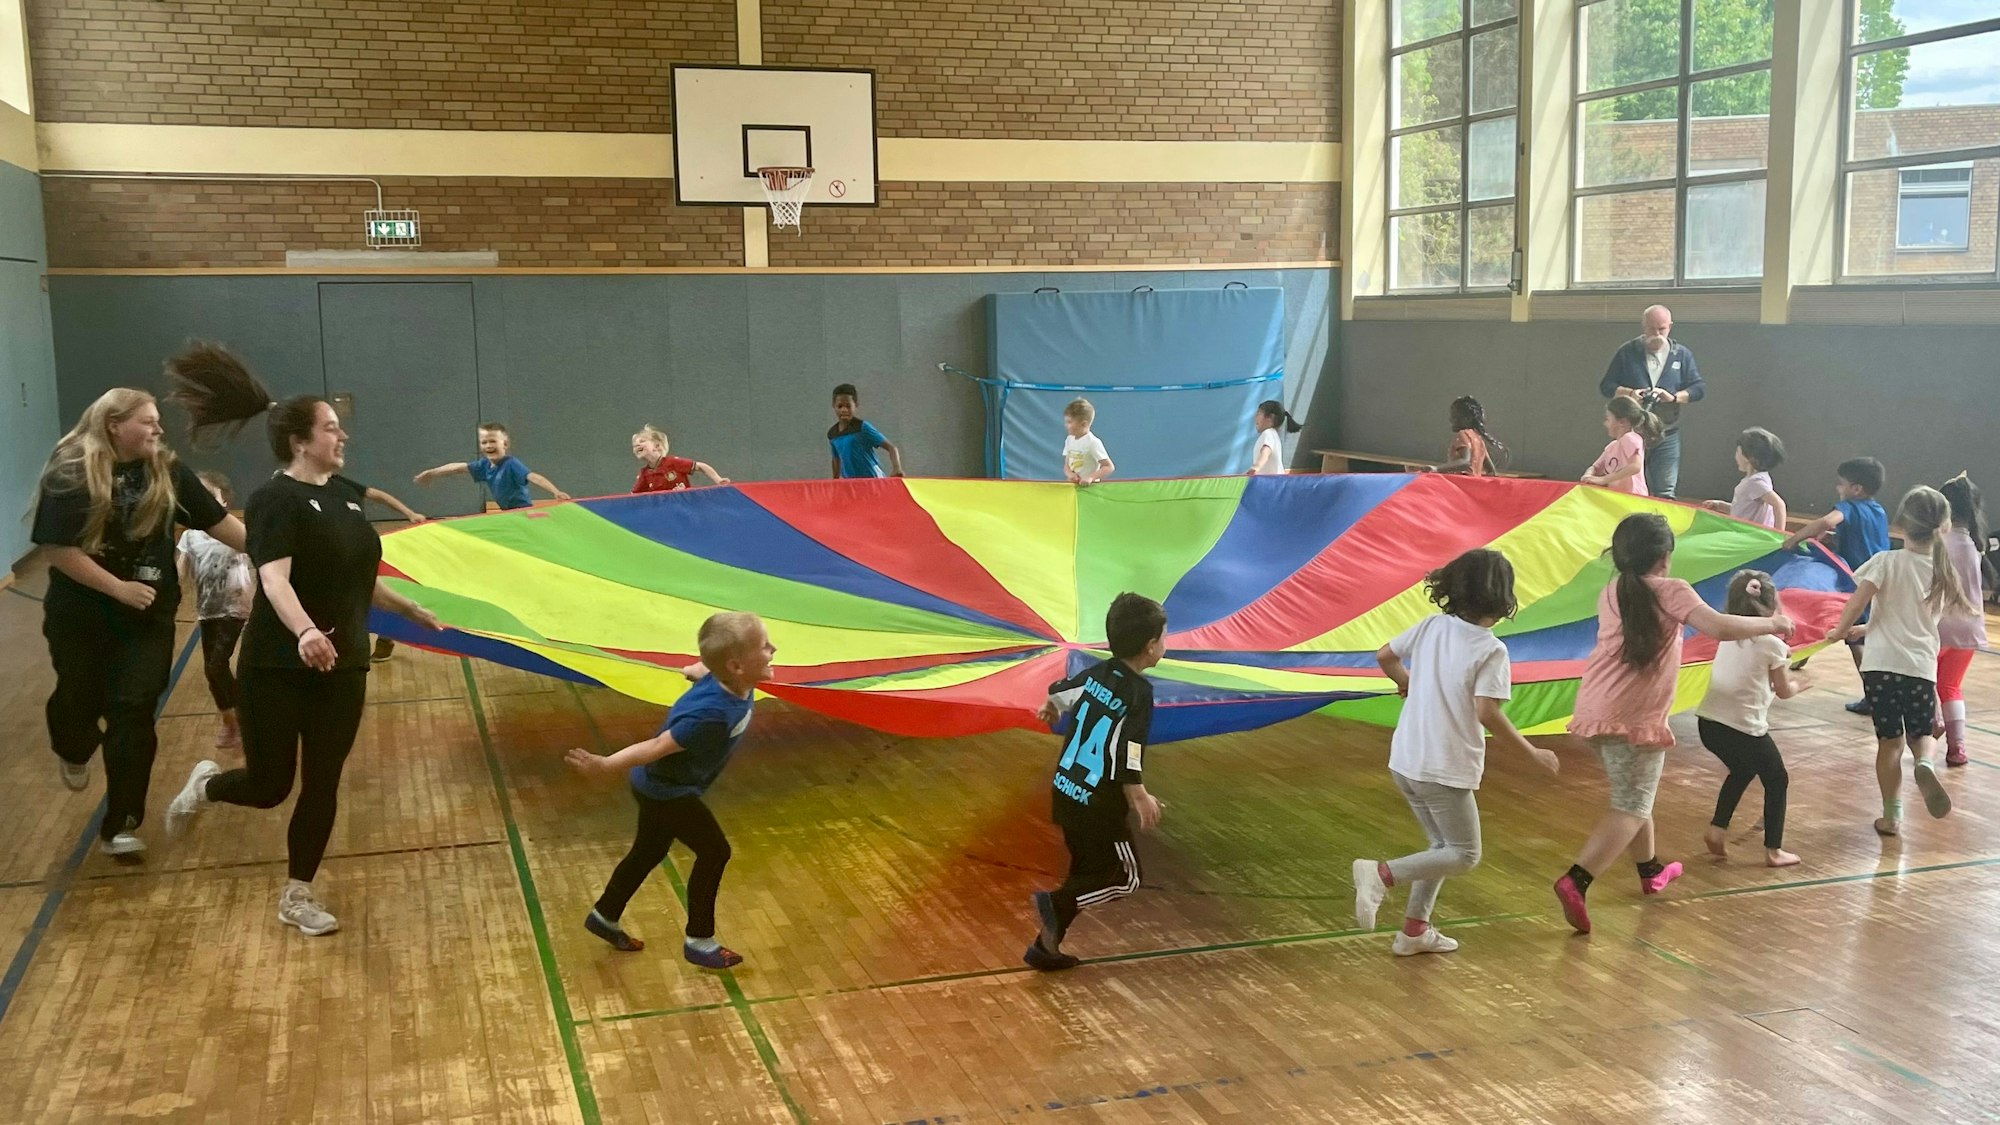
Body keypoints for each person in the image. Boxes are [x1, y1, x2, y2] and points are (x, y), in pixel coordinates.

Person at [161, 343, 443, 936]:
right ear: (299, 439)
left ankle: (298, 893)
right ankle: (206, 786)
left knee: (323, 781)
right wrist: (307, 631)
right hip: (278, 665)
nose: (342, 437)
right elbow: (273, 577)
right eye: (331, 428)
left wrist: (410, 607)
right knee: (269, 786)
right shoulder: (274, 499)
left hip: (344, 666)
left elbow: (357, 576)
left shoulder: (346, 495)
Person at [1552, 513, 1793, 935]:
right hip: (1633, 715)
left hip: (1595, 705)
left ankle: (1650, 872)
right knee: (1630, 805)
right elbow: (1718, 626)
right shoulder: (1671, 590)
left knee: (1637, 793)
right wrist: (1773, 622)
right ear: (1665, 557)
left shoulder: (1613, 590)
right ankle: (1577, 880)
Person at [32, 384, 245, 857]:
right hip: (82, 614)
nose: (158, 428)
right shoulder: (72, 471)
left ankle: (122, 824)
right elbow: (57, 548)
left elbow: (219, 524)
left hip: (147, 617)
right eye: (148, 421)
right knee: (78, 695)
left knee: (134, 710)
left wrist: (279, 553)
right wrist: (117, 588)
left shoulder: (165, 470)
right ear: (115, 425)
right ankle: (72, 744)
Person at [1353, 549, 1559, 956]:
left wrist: (1407, 683)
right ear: (1503, 598)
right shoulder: (1491, 650)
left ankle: (1415, 931)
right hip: (1443, 767)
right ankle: (1380, 874)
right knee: (1464, 855)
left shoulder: (1432, 626)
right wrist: (1532, 753)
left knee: (1441, 848)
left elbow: (1385, 656)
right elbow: (1487, 711)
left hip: (1407, 760)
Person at [564, 613, 775, 969]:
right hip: (668, 792)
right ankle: (699, 940)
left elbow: (702, 670)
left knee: (647, 851)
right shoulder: (708, 716)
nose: (773, 650)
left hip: (656, 787)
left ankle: (604, 915)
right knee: (715, 852)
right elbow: (657, 746)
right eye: (764, 647)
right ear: (737, 665)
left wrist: (697, 671)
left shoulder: (725, 680)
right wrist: (605, 765)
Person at [1025, 592, 1166, 971]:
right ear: (1151, 646)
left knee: (1085, 875)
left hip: (1067, 790)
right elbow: (1129, 748)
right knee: (1127, 877)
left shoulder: (1098, 673)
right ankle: (1056, 904)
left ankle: (1046, 947)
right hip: (1099, 803)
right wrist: (1138, 795)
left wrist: (1050, 707)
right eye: (1163, 638)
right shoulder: (1140, 693)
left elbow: (1061, 693)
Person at [1826, 486, 1976, 837]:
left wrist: (1842, 630)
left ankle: (1892, 817)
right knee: (1923, 733)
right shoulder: (1943, 571)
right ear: (1943, 526)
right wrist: (1864, 627)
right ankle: (1924, 760)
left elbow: (1857, 601)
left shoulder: (1886, 561)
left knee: (1889, 743)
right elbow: (1914, 619)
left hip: (1880, 667)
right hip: (1919, 668)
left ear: (1902, 525)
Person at [1696, 571, 1811, 868]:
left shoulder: (1727, 637)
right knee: (1777, 779)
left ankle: (1717, 829)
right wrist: (1802, 684)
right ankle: (1774, 850)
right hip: (1743, 728)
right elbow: (1784, 691)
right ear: (1772, 608)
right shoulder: (1774, 645)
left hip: (1709, 723)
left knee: (1743, 769)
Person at [1782, 457, 1890, 714]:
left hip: (1858, 581)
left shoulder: (1849, 506)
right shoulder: (1879, 510)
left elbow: (1828, 521)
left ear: (1856, 489)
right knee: (1861, 631)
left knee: (1855, 639)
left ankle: (1873, 696)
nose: (1837, 488)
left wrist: (1795, 538)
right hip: (1882, 578)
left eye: (1841, 484)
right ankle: (1804, 655)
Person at [176, 471, 255, 749]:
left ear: (224, 502)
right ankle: (231, 723)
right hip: (208, 610)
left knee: (216, 664)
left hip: (236, 607)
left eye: (209, 496)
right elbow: (181, 568)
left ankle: (245, 719)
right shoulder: (190, 536)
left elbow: (260, 553)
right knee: (213, 673)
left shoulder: (234, 530)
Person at [1599, 304, 1703, 499]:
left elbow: (1698, 388)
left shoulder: (1681, 354)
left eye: (1661, 329)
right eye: (1651, 328)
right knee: (1626, 486)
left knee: (1665, 490)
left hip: (1667, 431)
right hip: (1633, 433)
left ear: (1670, 327)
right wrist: (1630, 393)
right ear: (1643, 327)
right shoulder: (1628, 352)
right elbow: (1606, 386)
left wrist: (1674, 397)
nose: (1657, 333)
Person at [1937, 473, 1993, 767]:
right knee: (1951, 687)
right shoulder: (1976, 544)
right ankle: (1957, 747)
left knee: (1926, 684)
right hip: (1968, 628)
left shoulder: (1937, 544)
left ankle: (1927, 736)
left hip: (1936, 627)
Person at [414, 422, 569, 510]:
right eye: (484, 442)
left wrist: (555, 491)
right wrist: (432, 472)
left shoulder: (511, 464)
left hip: (522, 512)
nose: (488, 445)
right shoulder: (484, 465)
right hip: (507, 512)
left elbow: (534, 477)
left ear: (505, 444)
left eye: (493, 441)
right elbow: (458, 467)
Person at [1703, 428, 1787, 529]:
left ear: (1748, 458)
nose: (1735, 457)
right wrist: (1721, 505)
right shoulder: (1760, 478)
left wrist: (1779, 534)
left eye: (1738, 451)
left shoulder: (1755, 483)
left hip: (1750, 536)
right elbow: (1745, 511)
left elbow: (1779, 504)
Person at [1581, 397, 1661, 496]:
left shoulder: (1630, 438)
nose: (1605, 424)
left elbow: (1635, 466)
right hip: (1619, 498)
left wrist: (1603, 479)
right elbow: (1596, 467)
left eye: (1608, 419)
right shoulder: (1611, 447)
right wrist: (1588, 475)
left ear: (1622, 422)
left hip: (1634, 497)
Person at [828, 383, 904, 479]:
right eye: (840, 406)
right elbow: (836, 458)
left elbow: (891, 447)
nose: (844, 410)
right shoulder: (832, 434)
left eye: (848, 406)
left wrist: (897, 468)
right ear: (834, 406)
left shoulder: (862, 427)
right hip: (850, 483)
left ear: (855, 405)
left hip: (873, 480)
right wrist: (835, 480)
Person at [632, 424, 728, 492]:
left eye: (642, 441)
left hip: (683, 507)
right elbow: (633, 496)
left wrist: (718, 480)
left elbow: (701, 466)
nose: (637, 445)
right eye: (634, 445)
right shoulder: (644, 474)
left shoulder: (672, 462)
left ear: (657, 446)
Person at [1435, 396, 1505, 477]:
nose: (1451, 420)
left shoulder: (1463, 434)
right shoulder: (1479, 439)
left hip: (1459, 483)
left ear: (1467, 419)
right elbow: (1491, 471)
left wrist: (1436, 469)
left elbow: (1464, 462)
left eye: (1454, 417)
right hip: (1473, 484)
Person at [1062, 398, 1114, 486]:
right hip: (1074, 487)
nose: (1066, 425)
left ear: (1084, 424)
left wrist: (1090, 477)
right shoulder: (1069, 440)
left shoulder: (1093, 442)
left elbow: (1109, 467)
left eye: (1070, 422)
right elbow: (1066, 466)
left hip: (1090, 489)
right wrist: (1070, 475)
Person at [1248, 399, 1301, 476]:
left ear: (1270, 418)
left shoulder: (1268, 433)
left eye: (1258, 414)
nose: (1255, 418)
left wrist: (1256, 467)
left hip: (1273, 483)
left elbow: (1266, 452)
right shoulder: (1273, 435)